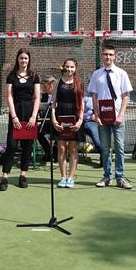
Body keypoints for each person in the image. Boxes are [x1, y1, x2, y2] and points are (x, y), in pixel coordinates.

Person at [89, 43, 133, 189]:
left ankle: (120, 177)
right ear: (102, 55)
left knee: (119, 147)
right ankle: (107, 176)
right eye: (105, 54)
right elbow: (94, 96)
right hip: (103, 117)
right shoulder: (96, 74)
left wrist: (121, 115)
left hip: (117, 116)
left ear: (114, 56)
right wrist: (96, 115)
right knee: (105, 148)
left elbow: (126, 95)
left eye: (111, 54)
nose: (108, 57)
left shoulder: (121, 73)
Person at [0, 48, 40, 191]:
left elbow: (37, 98)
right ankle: (5, 176)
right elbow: (9, 96)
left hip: (30, 112)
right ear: (17, 59)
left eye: (26, 58)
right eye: (21, 58)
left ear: (29, 60)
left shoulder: (34, 76)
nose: (23, 60)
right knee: (11, 145)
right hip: (16, 111)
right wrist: (14, 116)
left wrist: (33, 116)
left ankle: (23, 175)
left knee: (27, 146)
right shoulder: (11, 76)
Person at [52, 58, 84, 188]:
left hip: (74, 117)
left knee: (73, 148)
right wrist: (54, 120)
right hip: (60, 115)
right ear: (63, 67)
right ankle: (63, 177)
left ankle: (71, 178)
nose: (69, 69)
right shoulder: (57, 82)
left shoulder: (79, 83)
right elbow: (53, 102)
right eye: (67, 66)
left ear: (75, 69)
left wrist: (80, 120)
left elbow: (82, 103)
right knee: (61, 148)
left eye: (72, 67)